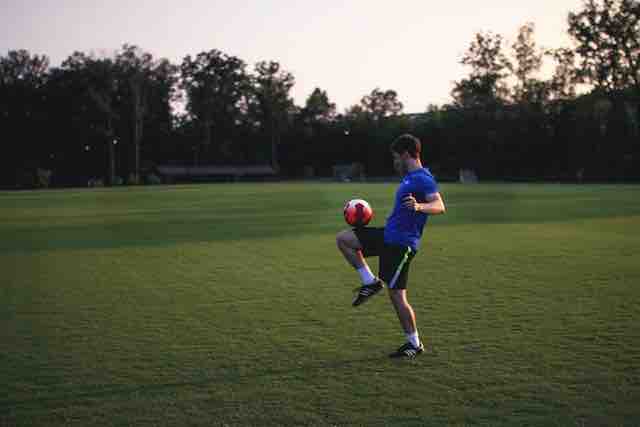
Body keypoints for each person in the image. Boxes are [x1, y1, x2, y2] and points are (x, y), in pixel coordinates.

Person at [336, 134, 446, 358]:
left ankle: (414, 344)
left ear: (406, 154)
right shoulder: (408, 178)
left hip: (401, 245)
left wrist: (419, 207)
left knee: (397, 296)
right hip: (388, 236)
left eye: (396, 157)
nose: (395, 161)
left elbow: (439, 205)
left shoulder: (423, 178)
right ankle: (369, 282)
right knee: (345, 239)